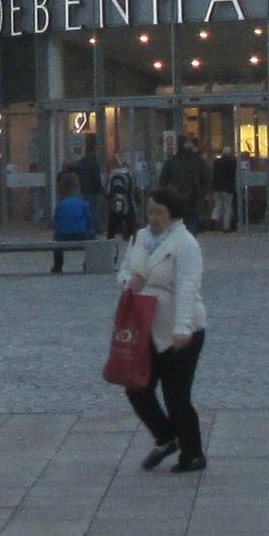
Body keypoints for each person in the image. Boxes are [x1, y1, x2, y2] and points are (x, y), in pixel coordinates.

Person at [117, 187, 208, 474]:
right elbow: (123, 270)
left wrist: (183, 329)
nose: (152, 216)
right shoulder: (141, 238)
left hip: (181, 330)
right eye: (150, 210)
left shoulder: (185, 244)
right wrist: (128, 280)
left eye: (159, 212)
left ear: (173, 214)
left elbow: (186, 289)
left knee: (176, 395)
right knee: (136, 386)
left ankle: (192, 454)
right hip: (146, 326)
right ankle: (167, 436)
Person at [160, 136, 210, 233]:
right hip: (192, 198)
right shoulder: (197, 161)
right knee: (191, 225)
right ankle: (189, 243)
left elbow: (163, 181)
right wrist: (202, 193)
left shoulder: (172, 162)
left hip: (176, 198)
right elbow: (207, 179)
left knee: (177, 225)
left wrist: (166, 196)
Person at [52, 172, 93, 273]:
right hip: (81, 235)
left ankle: (58, 265)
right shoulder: (82, 203)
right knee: (92, 237)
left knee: (55, 239)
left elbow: (55, 223)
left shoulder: (61, 204)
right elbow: (90, 221)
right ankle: (88, 263)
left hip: (62, 237)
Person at [74, 147, 105, 235]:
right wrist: (99, 189)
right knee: (93, 209)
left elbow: (76, 176)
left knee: (84, 209)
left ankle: (85, 227)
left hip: (82, 190)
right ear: (92, 152)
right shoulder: (93, 163)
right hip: (92, 190)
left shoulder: (79, 163)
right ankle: (95, 227)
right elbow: (96, 178)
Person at [211, 146, 237, 232]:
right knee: (227, 208)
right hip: (227, 188)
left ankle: (214, 220)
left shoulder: (217, 162)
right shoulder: (232, 162)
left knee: (217, 205)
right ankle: (226, 227)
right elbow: (233, 175)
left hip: (217, 187)